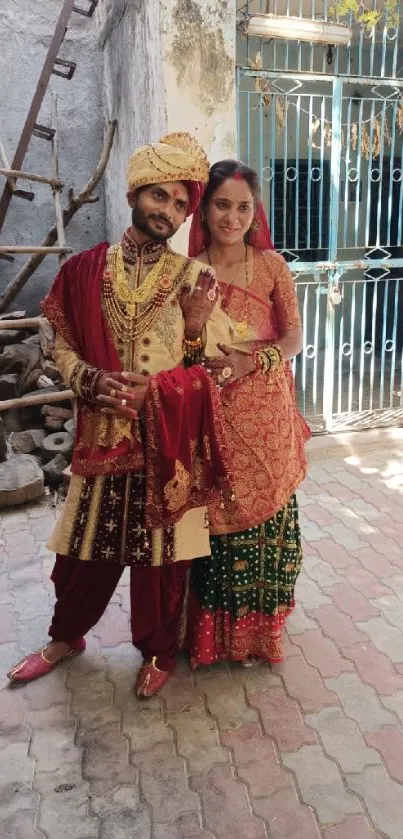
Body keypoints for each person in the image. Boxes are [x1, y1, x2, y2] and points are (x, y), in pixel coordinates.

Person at [7, 132, 234, 697]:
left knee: (161, 565)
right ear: (135, 194)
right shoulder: (83, 270)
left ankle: (159, 651)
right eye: (160, 197)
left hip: (165, 449)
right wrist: (87, 379)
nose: (170, 212)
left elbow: (216, 372)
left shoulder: (195, 281)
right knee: (84, 552)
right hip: (100, 441)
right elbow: (56, 338)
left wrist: (191, 332)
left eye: (182, 204)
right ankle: (65, 637)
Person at [185, 159, 311, 668]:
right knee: (215, 523)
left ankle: (261, 636)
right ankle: (212, 640)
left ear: (255, 211)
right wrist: (195, 331)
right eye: (222, 205)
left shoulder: (272, 266)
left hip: (267, 414)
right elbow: (183, 349)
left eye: (243, 207)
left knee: (270, 525)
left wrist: (254, 360)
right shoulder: (189, 273)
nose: (232, 217)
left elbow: (295, 337)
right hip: (212, 415)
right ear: (205, 208)